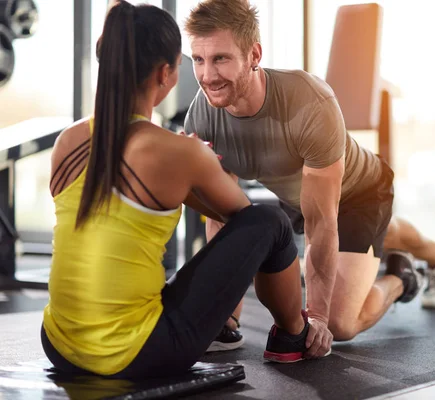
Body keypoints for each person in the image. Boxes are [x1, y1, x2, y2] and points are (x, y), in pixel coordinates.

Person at [41, 1, 330, 380]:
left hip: (58, 344)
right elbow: (247, 222)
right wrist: (200, 164)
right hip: (135, 354)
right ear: (165, 73)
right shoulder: (176, 151)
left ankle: (256, 328)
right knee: (272, 219)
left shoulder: (69, 140)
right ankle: (294, 335)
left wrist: (191, 166)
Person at [183, 0, 435, 351]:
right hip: (300, 197)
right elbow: (222, 218)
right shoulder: (203, 118)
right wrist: (225, 317)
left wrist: (317, 317)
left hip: (360, 193)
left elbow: (322, 222)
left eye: (220, 58)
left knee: (341, 324)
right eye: (198, 59)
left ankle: (403, 278)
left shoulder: (308, 102)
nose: (207, 75)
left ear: (254, 55)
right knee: (380, 234)